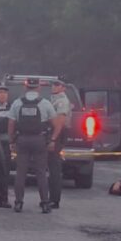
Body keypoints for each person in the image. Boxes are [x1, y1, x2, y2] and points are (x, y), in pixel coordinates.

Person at [8, 77, 58, 214]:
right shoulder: (45, 103)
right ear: (39, 87)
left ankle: (18, 203)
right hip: (39, 140)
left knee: (21, 172)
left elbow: (11, 124)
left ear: (25, 87)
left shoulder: (17, 103)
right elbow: (55, 123)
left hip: (22, 140)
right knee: (41, 172)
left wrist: (12, 141)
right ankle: (45, 204)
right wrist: (53, 139)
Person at [47, 79, 72, 210]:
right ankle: (50, 198)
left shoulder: (62, 101)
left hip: (57, 134)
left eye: (57, 85)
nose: (54, 87)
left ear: (63, 88)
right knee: (51, 168)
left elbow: (60, 122)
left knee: (54, 169)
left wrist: (53, 139)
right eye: (53, 85)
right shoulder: (54, 99)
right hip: (53, 134)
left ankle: (54, 200)